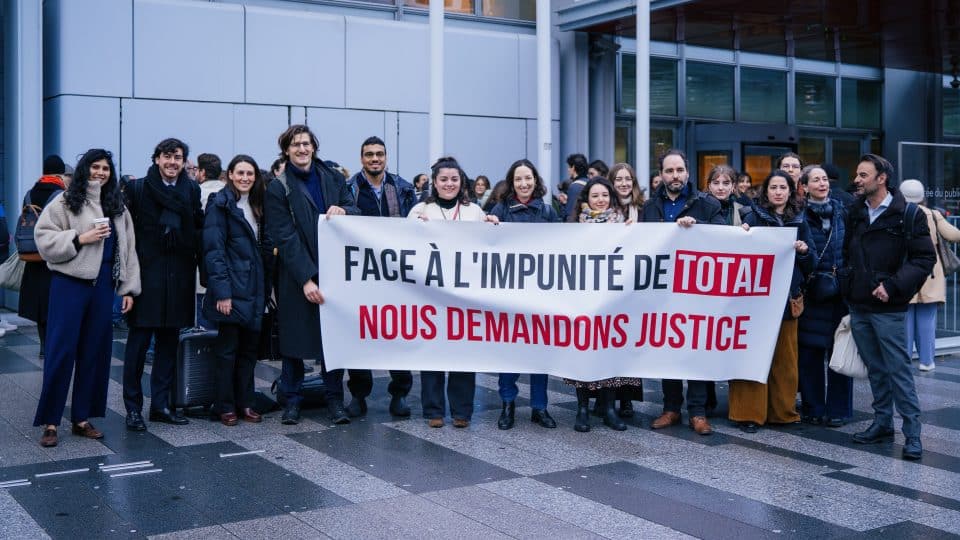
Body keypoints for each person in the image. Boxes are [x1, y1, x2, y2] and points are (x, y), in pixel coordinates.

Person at [33, 148, 141, 447]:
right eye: (95, 166)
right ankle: (51, 422)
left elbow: (128, 250)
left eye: (106, 168)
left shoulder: (117, 206)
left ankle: (81, 418)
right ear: (85, 169)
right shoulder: (65, 201)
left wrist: (128, 288)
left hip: (103, 287)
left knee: (94, 353)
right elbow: (43, 239)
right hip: (69, 284)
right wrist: (79, 239)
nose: (101, 172)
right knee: (60, 352)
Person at [265, 124, 359, 426]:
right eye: (295, 145)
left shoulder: (333, 177)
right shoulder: (278, 187)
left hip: (335, 272)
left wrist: (346, 211)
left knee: (332, 341)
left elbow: (354, 210)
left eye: (306, 144)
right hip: (296, 275)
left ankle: (334, 400)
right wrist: (306, 278)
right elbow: (284, 235)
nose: (302, 149)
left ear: (314, 147)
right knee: (294, 342)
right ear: (287, 150)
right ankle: (292, 400)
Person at [843, 154, 935, 460]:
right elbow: (848, 254)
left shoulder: (908, 214)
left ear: (881, 178)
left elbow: (924, 260)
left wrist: (893, 287)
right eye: (857, 174)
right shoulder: (855, 212)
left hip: (889, 308)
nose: (857, 179)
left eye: (863, 175)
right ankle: (882, 422)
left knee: (898, 370)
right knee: (876, 370)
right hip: (859, 305)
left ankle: (912, 433)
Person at [408, 156, 497, 428]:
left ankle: (462, 412)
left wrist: (493, 226)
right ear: (434, 182)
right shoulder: (420, 210)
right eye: (443, 179)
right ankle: (434, 410)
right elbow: (403, 245)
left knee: (462, 352)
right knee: (432, 351)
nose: (449, 184)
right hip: (431, 295)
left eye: (454, 179)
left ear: (462, 182)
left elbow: (489, 246)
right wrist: (414, 227)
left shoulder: (474, 212)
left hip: (464, 297)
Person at [123, 138, 204, 431]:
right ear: (157, 158)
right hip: (146, 279)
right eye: (167, 156)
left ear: (184, 162)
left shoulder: (191, 190)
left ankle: (161, 405)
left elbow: (197, 226)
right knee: (137, 347)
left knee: (169, 347)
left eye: (178, 157)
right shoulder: (138, 188)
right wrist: (125, 283)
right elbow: (126, 239)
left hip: (179, 277)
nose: (172, 162)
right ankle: (133, 408)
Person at [642, 149, 724, 435]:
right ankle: (671, 408)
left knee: (696, 352)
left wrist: (698, 229)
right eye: (669, 171)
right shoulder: (650, 206)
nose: (674, 176)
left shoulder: (706, 204)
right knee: (668, 350)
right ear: (661, 175)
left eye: (679, 170)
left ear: (687, 172)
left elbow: (724, 240)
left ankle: (698, 412)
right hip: (663, 291)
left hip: (697, 290)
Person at [730, 170, 815, 433]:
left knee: (785, 360)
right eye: (773, 187)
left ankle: (783, 413)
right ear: (765, 191)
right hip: (754, 300)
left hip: (787, 297)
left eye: (783, 187)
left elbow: (811, 262)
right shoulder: (751, 217)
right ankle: (749, 414)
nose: (778, 191)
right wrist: (741, 236)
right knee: (751, 356)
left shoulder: (800, 220)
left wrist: (803, 252)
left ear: (791, 191)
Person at [343, 136, 417, 418]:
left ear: (386, 157)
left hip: (396, 275)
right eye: (369, 155)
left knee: (398, 334)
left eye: (379, 154)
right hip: (361, 275)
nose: (375, 159)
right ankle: (359, 394)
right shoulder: (348, 188)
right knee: (359, 334)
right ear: (361, 159)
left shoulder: (403, 188)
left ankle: (400, 394)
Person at [488, 159, 560, 430]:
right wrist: (489, 224)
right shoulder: (501, 209)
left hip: (540, 295)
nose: (523, 183)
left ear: (535, 180)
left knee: (540, 353)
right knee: (510, 353)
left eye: (528, 178)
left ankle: (539, 408)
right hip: (510, 296)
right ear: (511, 182)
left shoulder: (547, 211)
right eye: (518, 179)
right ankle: (508, 404)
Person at [563, 177, 638, 432]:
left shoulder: (623, 225)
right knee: (583, 355)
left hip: (613, 303)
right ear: (586, 200)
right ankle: (582, 410)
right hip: (583, 302)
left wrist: (634, 232)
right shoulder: (573, 228)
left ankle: (609, 409)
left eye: (604, 195)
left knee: (610, 355)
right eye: (595, 196)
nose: (600, 200)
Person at [202, 155, 270, 426]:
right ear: (229, 174)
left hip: (255, 289)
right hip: (232, 289)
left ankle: (246, 403)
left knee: (248, 353)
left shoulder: (258, 204)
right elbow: (214, 251)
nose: (245, 178)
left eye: (250, 173)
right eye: (240, 172)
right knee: (227, 353)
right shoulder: (220, 204)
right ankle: (225, 406)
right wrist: (222, 293)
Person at [796, 165, 852, 427]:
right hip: (813, 292)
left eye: (824, 179)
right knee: (810, 355)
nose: (822, 183)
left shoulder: (843, 211)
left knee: (840, 353)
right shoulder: (799, 215)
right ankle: (813, 407)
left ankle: (839, 409)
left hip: (841, 292)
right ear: (804, 186)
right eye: (815, 180)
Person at [899, 179, 960, 372]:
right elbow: (954, 235)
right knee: (927, 319)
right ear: (922, 195)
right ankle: (927, 361)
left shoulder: (895, 214)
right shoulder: (933, 215)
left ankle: (905, 360)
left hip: (903, 271)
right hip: (931, 272)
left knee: (905, 319)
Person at [602, 162, 646, 417]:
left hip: (636, 284)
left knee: (630, 343)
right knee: (609, 342)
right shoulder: (604, 206)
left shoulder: (643, 207)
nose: (623, 183)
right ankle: (604, 396)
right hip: (610, 284)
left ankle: (626, 398)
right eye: (618, 179)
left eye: (627, 179)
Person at [19, 159, 69, 357]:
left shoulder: (29, 193)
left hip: (32, 254)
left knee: (39, 302)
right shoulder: (61, 194)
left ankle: (43, 346)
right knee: (54, 301)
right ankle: (53, 345)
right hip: (54, 255)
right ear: (59, 174)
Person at [559, 153, 589, 219]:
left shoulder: (575, 186)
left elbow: (569, 214)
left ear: (573, 167)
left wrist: (563, 204)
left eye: (569, 167)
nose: (568, 170)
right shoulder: (590, 182)